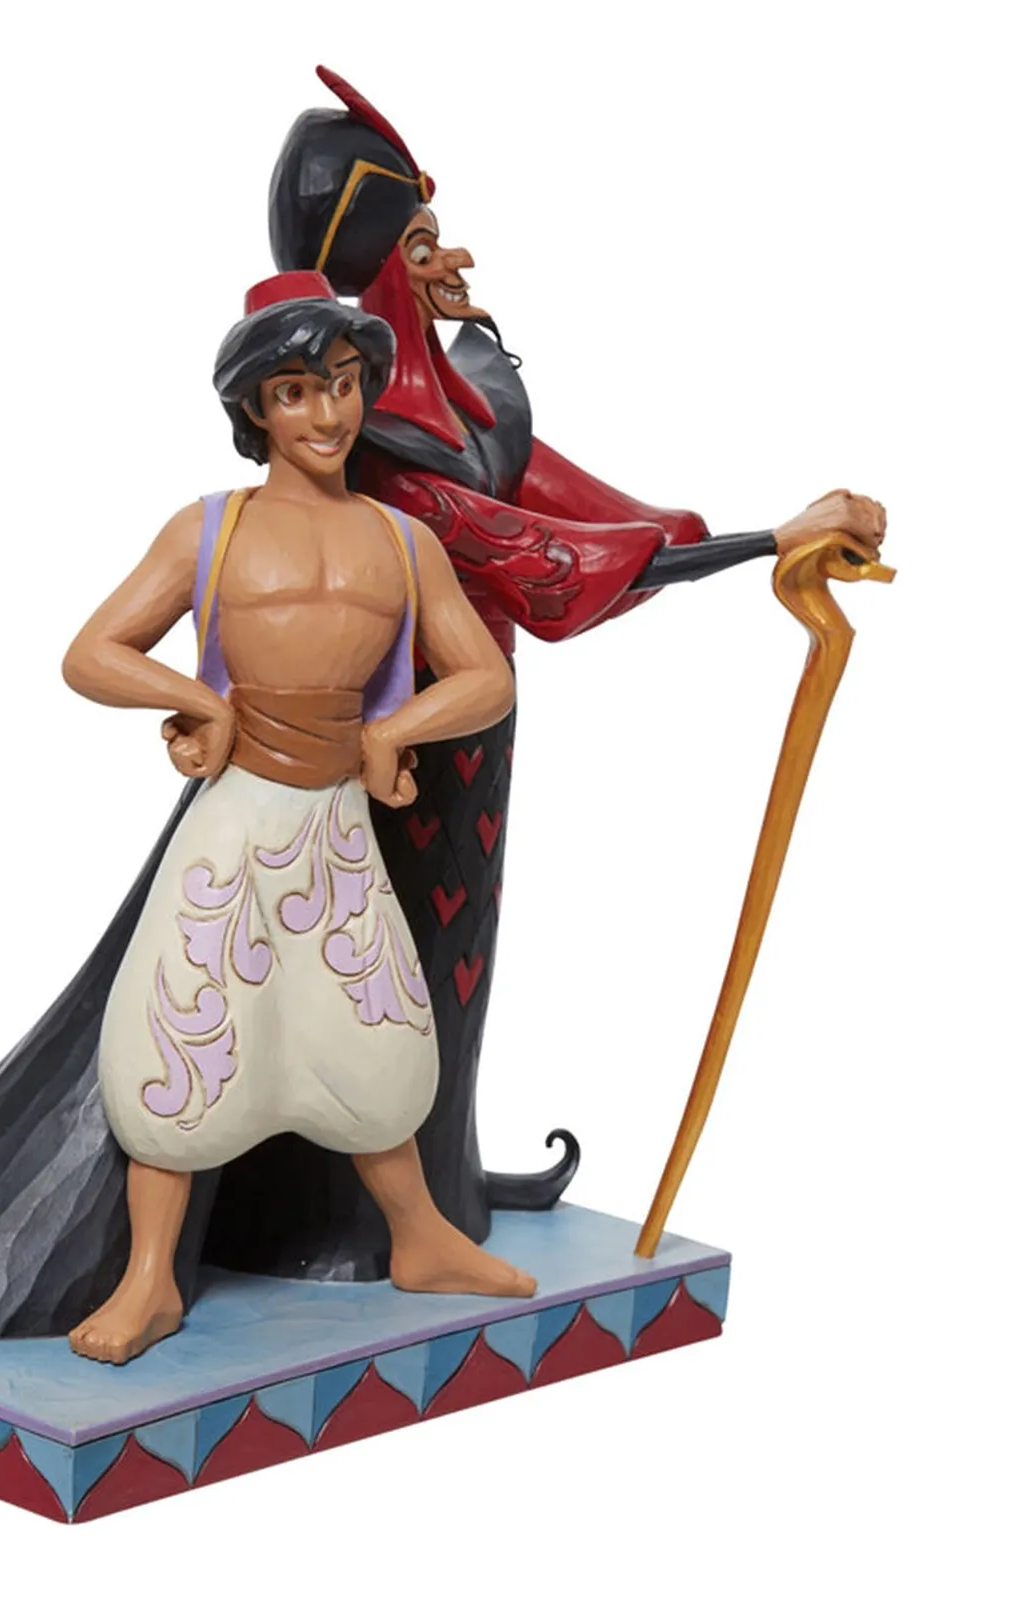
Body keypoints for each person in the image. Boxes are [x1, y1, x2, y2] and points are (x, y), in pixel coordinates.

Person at [200, 68, 888, 1279]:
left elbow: (605, 523)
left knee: (447, 957)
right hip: (367, 745)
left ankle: (441, 1178)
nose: (447, 256)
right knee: (366, 973)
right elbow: (546, 563)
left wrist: (761, 539)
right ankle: (343, 1222)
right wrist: (765, 543)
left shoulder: (468, 408)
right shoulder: (375, 455)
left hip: (474, 722)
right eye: (418, 238)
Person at [63, 271, 531, 1365]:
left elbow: (484, 678)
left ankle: (421, 1236)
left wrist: (392, 732)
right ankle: (149, 1277)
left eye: (343, 383)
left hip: (336, 827)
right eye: (294, 391)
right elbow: (92, 653)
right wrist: (197, 703)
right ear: (254, 408)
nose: (327, 414)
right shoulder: (209, 531)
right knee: (181, 1029)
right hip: (235, 822)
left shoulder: (401, 542)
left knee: (378, 1030)